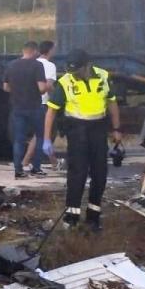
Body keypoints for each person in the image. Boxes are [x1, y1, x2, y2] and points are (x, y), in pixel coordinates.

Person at [44, 49, 122, 231]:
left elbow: (112, 102)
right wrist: (47, 139)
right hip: (77, 131)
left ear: (88, 65)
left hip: (98, 130)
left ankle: (93, 217)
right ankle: (71, 217)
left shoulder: (102, 76)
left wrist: (117, 130)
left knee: (100, 173)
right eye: (72, 71)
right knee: (77, 174)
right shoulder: (65, 82)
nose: (74, 74)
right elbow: (51, 111)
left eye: (77, 71)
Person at [3, 41, 48, 179]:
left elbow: (5, 87)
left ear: (23, 50)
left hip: (17, 107)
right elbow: (41, 88)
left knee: (19, 139)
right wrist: (47, 87)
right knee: (40, 137)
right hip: (34, 106)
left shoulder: (11, 66)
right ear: (34, 51)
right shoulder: (37, 65)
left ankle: (18, 170)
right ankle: (36, 167)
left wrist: (17, 91)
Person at [23, 40, 59, 170]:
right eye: (54, 49)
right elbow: (49, 85)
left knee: (41, 134)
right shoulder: (50, 66)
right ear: (49, 50)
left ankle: (53, 161)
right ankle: (26, 161)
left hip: (30, 101)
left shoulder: (33, 63)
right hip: (44, 102)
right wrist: (57, 96)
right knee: (42, 134)